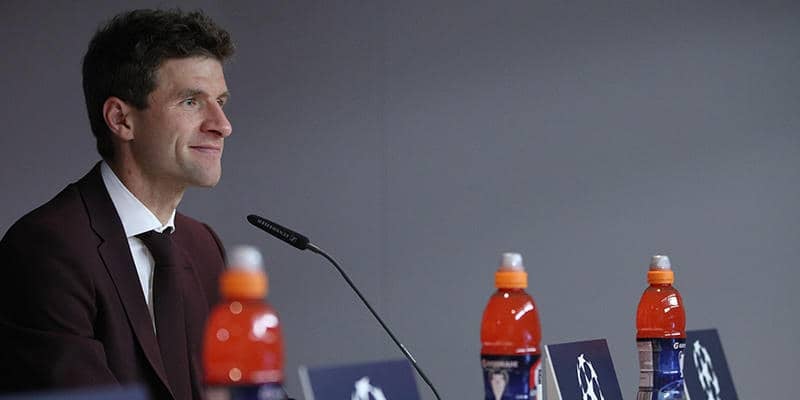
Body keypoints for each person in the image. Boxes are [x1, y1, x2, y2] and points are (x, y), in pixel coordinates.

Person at [0, 9, 234, 400]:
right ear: (121, 119)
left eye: (221, 102)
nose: (222, 125)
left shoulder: (203, 246)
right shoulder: (45, 250)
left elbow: (243, 392)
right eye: (191, 101)